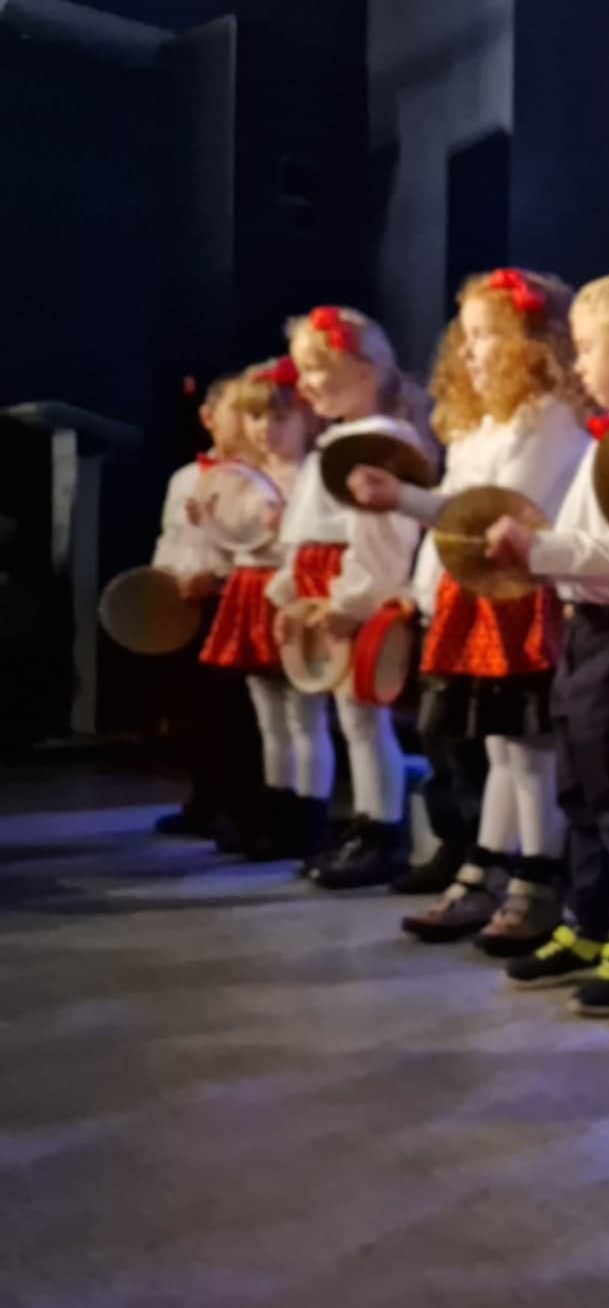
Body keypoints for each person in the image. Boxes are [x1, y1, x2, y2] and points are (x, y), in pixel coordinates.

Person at [348, 269, 591, 953]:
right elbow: (456, 523)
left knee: (528, 749)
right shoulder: (484, 428)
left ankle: (537, 878)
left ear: (532, 345)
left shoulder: (548, 420)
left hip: (519, 596)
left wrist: (404, 499)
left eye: (489, 335)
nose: (471, 351)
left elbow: (493, 514)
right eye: (470, 335)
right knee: (498, 745)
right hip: (476, 596)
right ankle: (489, 865)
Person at [484, 268, 609, 1016]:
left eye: (587, 348)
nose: (578, 365)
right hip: (585, 630)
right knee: (578, 786)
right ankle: (586, 920)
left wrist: (538, 550)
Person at [268, 307, 426, 888]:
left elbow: (381, 536)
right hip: (321, 588)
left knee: (363, 715)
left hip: (350, 589)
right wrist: (289, 593)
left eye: (317, 370)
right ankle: (362, 823)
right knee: (348, 717)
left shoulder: (382, 442)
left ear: (363, 372)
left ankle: (380, 830)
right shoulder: (334, 442)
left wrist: (351, 601)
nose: (305, 384)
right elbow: (303, 533)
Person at [198, 357, 335, 862]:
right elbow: (233, 543)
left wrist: (285, 532)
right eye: (256, 418)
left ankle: (310, 817)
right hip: (248, 591)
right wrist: (212, 523)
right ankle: (275, 813)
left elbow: (315, 544)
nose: (266, 429)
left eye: (280, 418)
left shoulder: (313, 475)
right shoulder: (243, 476)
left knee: (305, 715)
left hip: (295, 594)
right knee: (270, 718)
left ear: (307, 420)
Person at [150, 372, 262, 848]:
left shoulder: (257, 478)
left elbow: (258, 547)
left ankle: (241, 809)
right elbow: (172, 537)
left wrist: (216, 581)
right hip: (181, 605)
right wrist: (162, 579)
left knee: (231, 712)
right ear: (208, 417)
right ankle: (202, 801)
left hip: (227, 603)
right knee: (189, 712)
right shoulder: (184, 478)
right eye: (235, 411)